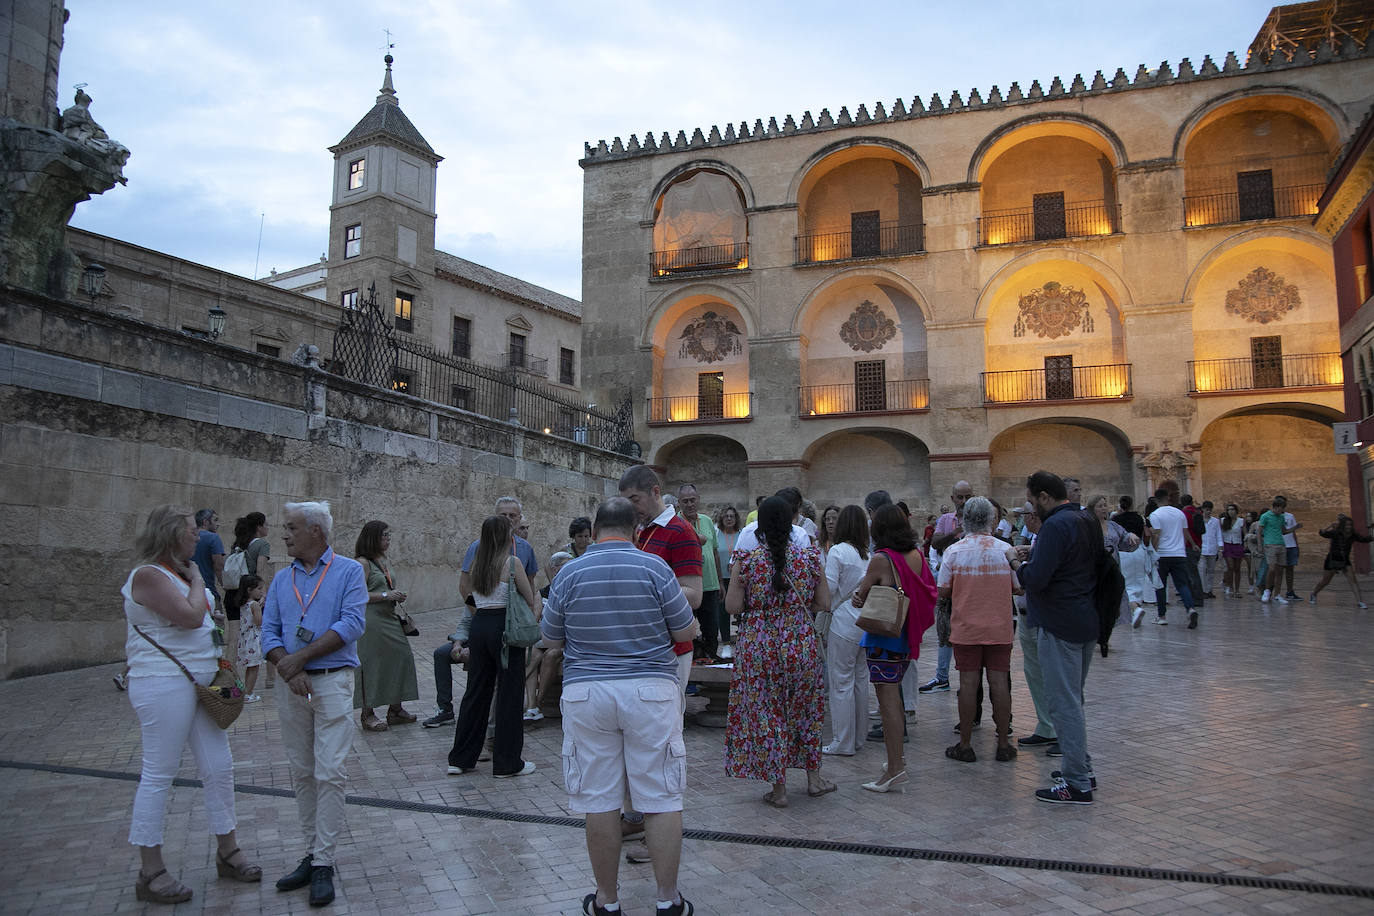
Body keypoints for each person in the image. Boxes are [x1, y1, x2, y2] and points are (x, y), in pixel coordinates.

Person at [540, 497, 698, 916]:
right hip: (649, 691)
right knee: (661, 797)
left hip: (588, 693)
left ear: (593, 533)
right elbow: (685, 628)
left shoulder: (570, 573)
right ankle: (668, 900)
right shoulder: (654, 568)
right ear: (634, 530)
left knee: (600, 799)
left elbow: (551, 638)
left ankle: (607, 900)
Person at [121, 505, 260, 904]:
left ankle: (228, 849)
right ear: (170, 534)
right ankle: (151, 871)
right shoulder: (148, 575)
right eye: (190, 529)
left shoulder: (178, 574)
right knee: (159, 773)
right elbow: (188, 615)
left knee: (219, 765)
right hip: (163, 683)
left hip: (200, 683)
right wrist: (199, 578)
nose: (198, 534)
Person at [261, 500, 367, 907]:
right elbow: (269, 630)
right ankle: (310, 852)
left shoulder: (347, 572)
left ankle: (324, 861)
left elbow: (352, 624)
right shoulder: (281, 579)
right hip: (293, 687)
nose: (284, 534)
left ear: (316, 532)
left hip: (332, 683)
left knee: (331, 771)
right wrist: (287, 667)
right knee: (302, 771)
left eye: (291, 527)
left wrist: (300, 659)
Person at [723, 496, 835, 806]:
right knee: (806, 710)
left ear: (759, 525)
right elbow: (824, 603)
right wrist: (793, 612)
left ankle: (779, 789)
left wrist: (760, 606)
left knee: (766, 713)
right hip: (800, 642)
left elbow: (732, 606)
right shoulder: (811, 558)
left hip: (759, 645)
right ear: (792, 523)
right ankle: (813, 780)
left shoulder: (746, 561)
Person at [619, 465, 702, 864]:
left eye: (634, 500)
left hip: (670, 650)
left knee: (663, 738)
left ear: (654, 492)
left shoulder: (680, 532)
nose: (631, 508)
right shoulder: (643, 530)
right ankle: (636, 816)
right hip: (643, 648)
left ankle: (661, 830)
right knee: (638, 738)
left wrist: (643, 594)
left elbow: (694, 593)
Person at [1007, 472, 1098, 805]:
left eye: (1032, 501)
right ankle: (1082, 769)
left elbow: (1037, 578)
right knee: (1073, 699)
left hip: (1060, 623)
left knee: (1063, 704)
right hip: (1084, 617)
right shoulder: (1083, 518)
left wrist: (1015, 561)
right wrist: (1036, 550)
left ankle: (1076, 783)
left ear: (1045, 497)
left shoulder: (1055, 526)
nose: (1031, 507)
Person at [851, 504, 937, 793]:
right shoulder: (917, 555)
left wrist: (857, 596)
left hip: (882, 638)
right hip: (903, 635)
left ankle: (895, 769)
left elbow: (861, 596)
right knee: (895, 701)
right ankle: (894, 763)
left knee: (887, 705)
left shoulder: (881, 559)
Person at [448, 514, 540, 779]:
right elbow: (529, 595)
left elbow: (470, 597)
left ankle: (461, 758)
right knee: (509, 694)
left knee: (476, 692)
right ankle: (507, 762)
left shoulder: (478, 565)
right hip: (504, 628)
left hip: (480, 627)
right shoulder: (512, 562)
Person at [939, 497, 1018, 763]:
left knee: (968, 684)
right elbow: (1018, 586)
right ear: (991, 519)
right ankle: (1004, 743)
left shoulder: (954, 552)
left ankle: (965, 744)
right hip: (999, 625)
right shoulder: (1005, 549)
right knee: (1000, 683)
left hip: (966, 627)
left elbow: (943, 590)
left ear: (964, 520)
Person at [352, 520, 419, 731]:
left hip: (389, 617)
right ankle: (367, 713)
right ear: (373, 538)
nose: (388, 540)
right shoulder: (362, 563)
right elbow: (357, 594)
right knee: (372, 664)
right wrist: (385, 595)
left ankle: (396, 709)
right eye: (385, 536)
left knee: (401, 657)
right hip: (372, 621)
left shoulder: (382, 560)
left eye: (389, 536)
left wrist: (395, 595)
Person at [823, 505, 872, 757]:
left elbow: (829, 589)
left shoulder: (838, 551)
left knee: (841, 681)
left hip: (843, 622)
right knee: (860, 680)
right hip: (864, 623)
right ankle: (859, 737)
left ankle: (843, 741)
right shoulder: (866, 555)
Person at [922, 480, 974, 693]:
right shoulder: (945, 519)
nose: (963, 501)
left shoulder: (978, 518)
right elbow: (934, 543)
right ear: (952, 498)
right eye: (959, 497)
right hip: (948, 582)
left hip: (970, 583)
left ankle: (969, 679)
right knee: (944, 629)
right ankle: (942, 676)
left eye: (967, 497)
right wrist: (956, 532)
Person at [525, 551, 574, 721]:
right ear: (554, 569)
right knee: (533, 654)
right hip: (544, 638)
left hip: (564, 641)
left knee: (550, 655)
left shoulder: (572, 590)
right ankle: (531, 708)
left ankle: (537, 702)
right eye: (565, 566)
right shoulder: (543, 592)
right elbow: (535, 619)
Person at [677, 483, 722, 663]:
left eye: (692, 500)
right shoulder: (676, 524)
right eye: (685, 501)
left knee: (711, 628)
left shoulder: (707, 521)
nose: (689, 504)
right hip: (686, 586)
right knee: (686, 629)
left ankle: (710, 660)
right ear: (679, 503)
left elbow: (715, 551)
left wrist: (720, 581)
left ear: (699, 500)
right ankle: (691, 663)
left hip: (710, 584)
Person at [225, 512, 271, 678]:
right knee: (265, 632)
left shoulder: (239, 544)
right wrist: (263, 593)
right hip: (249, 594)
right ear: (259, 527)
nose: (268, 528)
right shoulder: (262, 545)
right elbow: (260, 570)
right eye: (266, 524)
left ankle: (230, 676)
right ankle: (270, 679)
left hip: (232, 593)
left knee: (233, 637)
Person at [1149, 486, 1198, 627]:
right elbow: (1185, 532)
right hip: (1179, 554)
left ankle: (1162, 615)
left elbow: (1157, 535)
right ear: (1168, 498)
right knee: (1182, 584)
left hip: (1162, 555)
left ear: (1156, 499)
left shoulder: (1155, 515)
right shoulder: (1179, 513)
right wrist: (1190, 544)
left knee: (1160, 586)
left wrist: (1154, 552)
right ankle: (1190, 608)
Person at [1309, 515, 1372, 607]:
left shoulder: (1353, 535)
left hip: (1344, 560)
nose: (1348, 527)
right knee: (1325, 581)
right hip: (1332, 560)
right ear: (1343, 525)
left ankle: (1360, 601)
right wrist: (1327, 527)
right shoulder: (1336, 533)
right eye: (1346, 525)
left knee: (1353, 580)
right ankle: (1314, 593)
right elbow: (1323, 533)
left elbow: (1363, 539)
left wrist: (1372, 536)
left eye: (1350, 525)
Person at [232, 575, 266, 702]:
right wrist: (261, 609)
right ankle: (249, 693)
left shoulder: (243, 604)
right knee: (254, 667)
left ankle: (247, 691)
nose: (261, 591)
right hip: (253, 639)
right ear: (249, 590)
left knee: (250, 667)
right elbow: (259, 622)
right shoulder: (254, 605)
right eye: (259, 588)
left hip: (245, 638)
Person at [1257, 497, 1296, 604]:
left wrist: (1295, 528)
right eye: (1281, 508)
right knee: (1272, 569)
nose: (1282, 511)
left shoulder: (1281, 517)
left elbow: (1284, 531)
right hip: (1270, 545)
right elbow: (1259, 531)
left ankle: (1277, 594)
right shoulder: (1265, 516)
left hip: (1281, 545)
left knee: (1280, 571)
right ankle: (1267, 590)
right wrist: (1260, 545)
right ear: (1276, 507)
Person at [714, 506, 742, 659]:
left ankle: (742, 642)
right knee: (722, 611)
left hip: (738, 578)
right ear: (722, 519)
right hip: (721, 577)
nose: (729, 519)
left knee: (740, 611)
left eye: (732, 516)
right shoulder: (717, 534)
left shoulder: (742, 534)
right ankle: (725, 644)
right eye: (726, 516)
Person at [192, 508, 225, 616]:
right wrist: (224, 585)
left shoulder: (189, 537)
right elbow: (218, 565)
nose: (218, 524)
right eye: (215, 520)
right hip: (208, 589)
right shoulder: (213, 538)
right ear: (205, 521)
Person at [1219, 504, 1246, 598]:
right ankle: (1230, 587)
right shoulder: (1223, 521)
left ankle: (1237, 589)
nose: (1231, 511)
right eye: (1229, 510)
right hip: (1227, 545)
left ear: (1236, 511)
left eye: (1232, 509)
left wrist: (1245, 545)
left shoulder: (1241, 521)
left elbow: (1245, 534)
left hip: (1237, 545)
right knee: (1230, 567)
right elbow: (1220, 534)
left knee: (1237, 569)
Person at [1198, 501, 1221, 598]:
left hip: (1212, 548)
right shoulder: (1198, 520)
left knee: (1211, 571)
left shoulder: (1215, 521)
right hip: (1202, 548)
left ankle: (1209, 589)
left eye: (1210, 510)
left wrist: (1220, 545)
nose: (1208, 512)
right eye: (1207, 509)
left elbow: (1218, 534)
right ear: (1203, 509)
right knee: (1202, 570)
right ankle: (1203, 590)